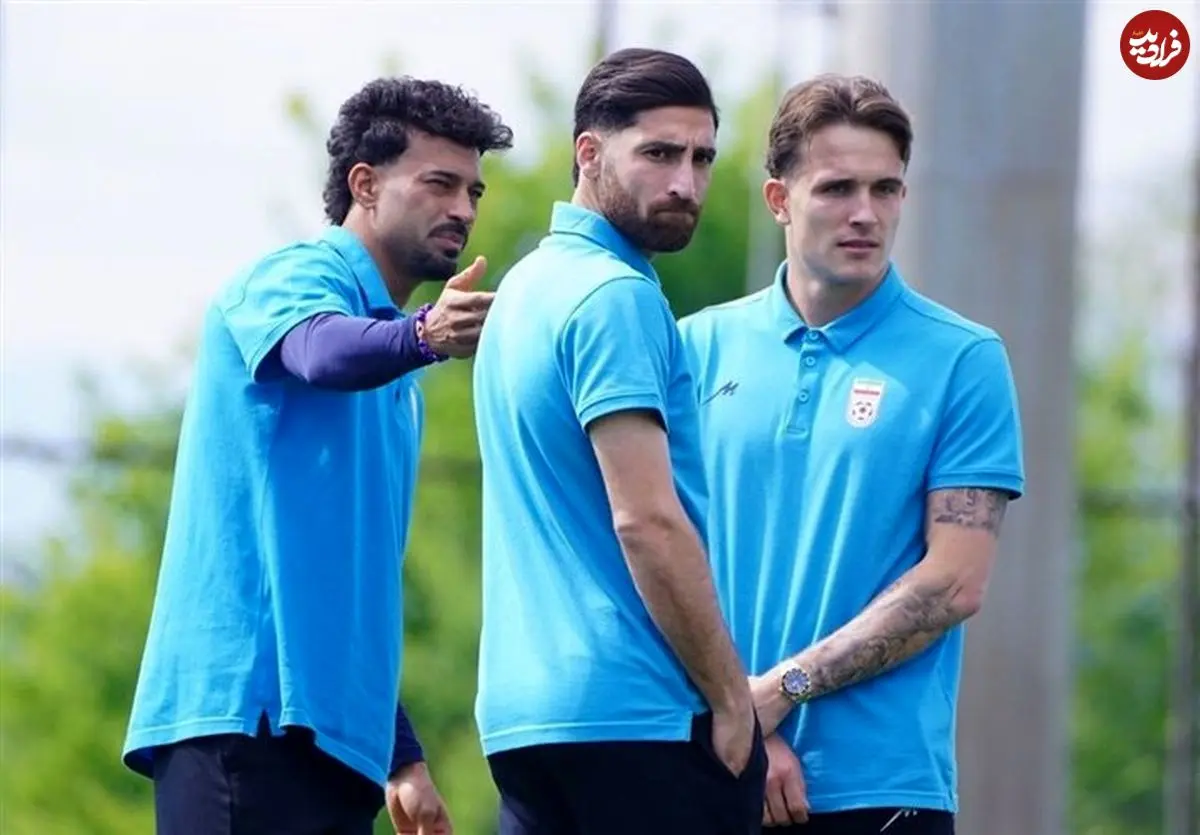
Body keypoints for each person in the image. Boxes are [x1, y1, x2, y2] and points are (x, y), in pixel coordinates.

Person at [121, 76, 513, 835]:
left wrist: (401, 754)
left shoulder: (397, 371)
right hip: (245, 724)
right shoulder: (295, 276)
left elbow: (346, 581)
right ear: (364, 185)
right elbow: (318, 352)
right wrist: (425, 334)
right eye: (439, 184)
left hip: (336, 746)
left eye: (473, 191)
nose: (464, 209)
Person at [678, 74, 1025, 835]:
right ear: (779, 199)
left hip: (880, 789)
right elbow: (652, 553)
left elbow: (955, 581)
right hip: (706, 768)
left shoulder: (963, 358)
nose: (865, 212)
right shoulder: (694, 347)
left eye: (885, 189)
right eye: (837, 188)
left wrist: (782, 691)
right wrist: (742, 716)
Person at [470, 48, 766, 835]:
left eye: (702, 158)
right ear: (589, 152)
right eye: (659, 154)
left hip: (523, 723)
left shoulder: (525, 289)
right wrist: (731, 695)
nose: (685, 184)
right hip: (638, 714)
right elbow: (647, 519)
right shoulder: (615, 296)